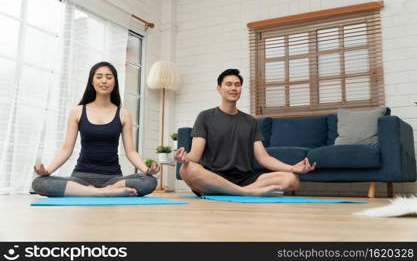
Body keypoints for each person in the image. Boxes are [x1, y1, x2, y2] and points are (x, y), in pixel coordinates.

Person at [175, 69, 316, 197]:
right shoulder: (205, 117)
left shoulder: (250, 121)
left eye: (237, 85)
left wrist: (292, 168)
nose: (233, 88)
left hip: (244, 178)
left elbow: (264, 158)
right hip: (213, 176)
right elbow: (195, 155)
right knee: (187, 169)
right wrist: (184, 158)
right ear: (219, 88)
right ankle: (246, 192)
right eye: (228, 84)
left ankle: (234, 191)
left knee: (292, 179)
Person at [32, 62, 159, 197]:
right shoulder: (77, 111)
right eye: (99, 77)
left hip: (114, 179)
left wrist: (146, 170)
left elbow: (131, 151)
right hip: (81, 177)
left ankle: (98, 191)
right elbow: (66, 149)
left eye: (109, 77)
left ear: (115, 82)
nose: (104, 80)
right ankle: (102, 192)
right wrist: (48, 171)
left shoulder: (123, 114)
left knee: (149, 181)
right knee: (39, 183)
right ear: (92, 82)